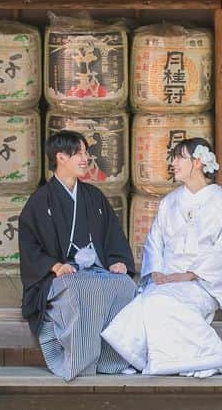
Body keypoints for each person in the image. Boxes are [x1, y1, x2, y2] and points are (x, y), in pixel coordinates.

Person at [100, 137, 222, 378]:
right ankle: (150, 359)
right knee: (144, 304)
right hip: (167, 279)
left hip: (201, 283)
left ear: (198, 162)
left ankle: (209, 354)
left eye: (180, 157)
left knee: (156, 304)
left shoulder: (221, 202)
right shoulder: (170, 202)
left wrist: (189, 274)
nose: (174, 163)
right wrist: (157, 271)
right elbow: (154, 242)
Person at [19, 130, 137, 380]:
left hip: (96, 269)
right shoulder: (40, 201)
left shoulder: (93, 196)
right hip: (59, 276)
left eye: (86, 152)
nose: (85, 158)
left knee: (125, 286)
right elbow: (30, 245)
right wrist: (54, 265)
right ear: (60, 157)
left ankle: (113, 361)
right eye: (79, 153)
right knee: (82, 290)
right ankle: (79, 363)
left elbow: (112, 235)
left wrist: (119, 261)